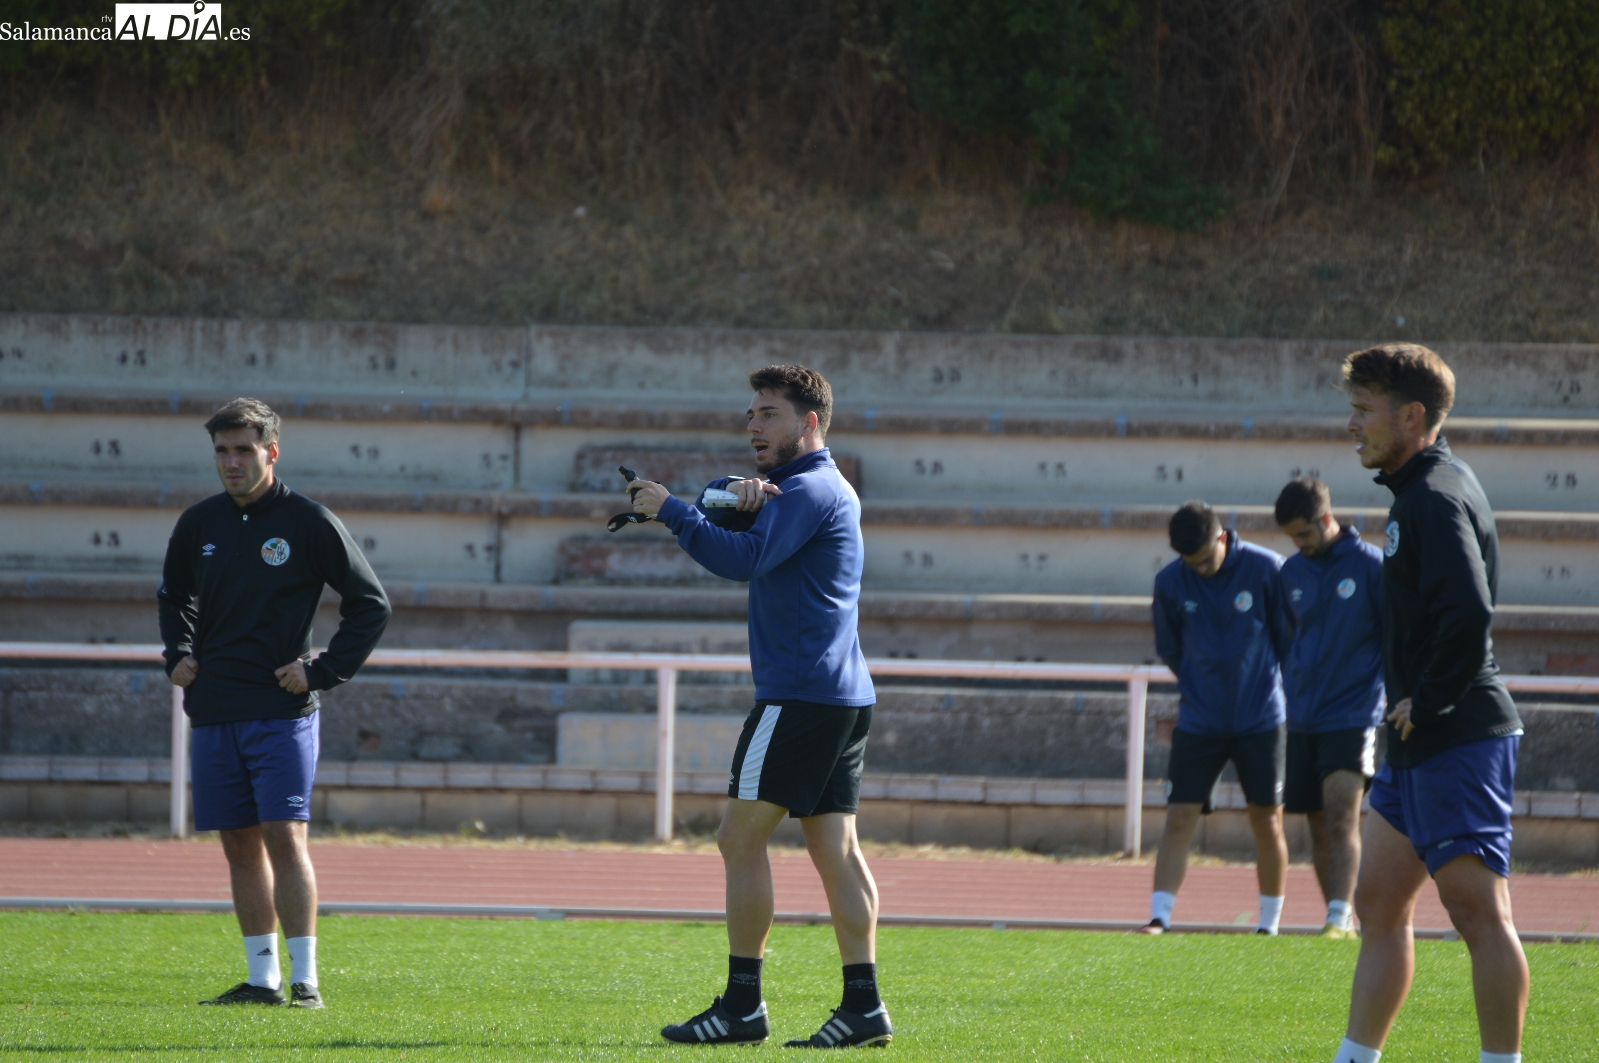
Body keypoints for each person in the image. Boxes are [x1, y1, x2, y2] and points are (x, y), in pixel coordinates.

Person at [627, 365, 891, 1048]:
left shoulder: (805, 490)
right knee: (835, 847)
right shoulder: (824, 486)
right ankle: (863, 1007)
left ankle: (742, 1004)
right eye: (750, 412)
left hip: (799, 695)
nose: (752, 424)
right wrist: (726, 501)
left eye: (769, 413)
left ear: (808, 422)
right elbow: (757, 529)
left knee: (737, 839)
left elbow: (742, 560)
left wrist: (672, 510)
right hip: (841, 694)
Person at [158, 398, 390, 1008]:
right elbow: (173, 594)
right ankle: (261, 980)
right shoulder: (198, 524)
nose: (231, 463)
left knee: (284, 836)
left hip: (281, 713)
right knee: (237, 843)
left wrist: (323, 670)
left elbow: (371, 604)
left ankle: (306, 980)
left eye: (243, 450)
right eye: (222, 452)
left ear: (272, 452)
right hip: (213, 710)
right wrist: (177, 652)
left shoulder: (308, 521)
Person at [1329, 345, 1526, 1063]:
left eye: (1362, 410)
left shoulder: (1435, 495)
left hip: (1457, 732)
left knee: (1476, 911)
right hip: (1414, 739)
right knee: (1377, 901)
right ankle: (1354, 1056)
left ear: (1410, 416)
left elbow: (1470, 612)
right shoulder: (1414, 492)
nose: (1351, 424)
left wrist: (1431, 698)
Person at [1142, 500, 1294, 936]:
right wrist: (1199, 683)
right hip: (1199, 720)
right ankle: (1159, 918)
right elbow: (1169, 648)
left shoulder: (1267, 568)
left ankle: (1269, 925)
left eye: (1208, 558)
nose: (1201, 569)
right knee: (1178, 816)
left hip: (1262, 717)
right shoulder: (1170, 582)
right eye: (1192, 563)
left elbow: (1288, 638)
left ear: (1223, 538)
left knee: (1267, 819)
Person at [1274, 477, 1385, 940]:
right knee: (1316, 821)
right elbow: (1286, 640)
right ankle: (1340, 919)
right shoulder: (1290, 574)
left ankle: (1339, 918)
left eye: (1303, 534)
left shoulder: (1372, 566)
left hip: (1354, 712)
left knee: (1341, 813)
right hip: (1303, 716)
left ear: (1325, 519)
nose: (1298, 545)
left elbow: (1396, 637)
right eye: (1291, 538)